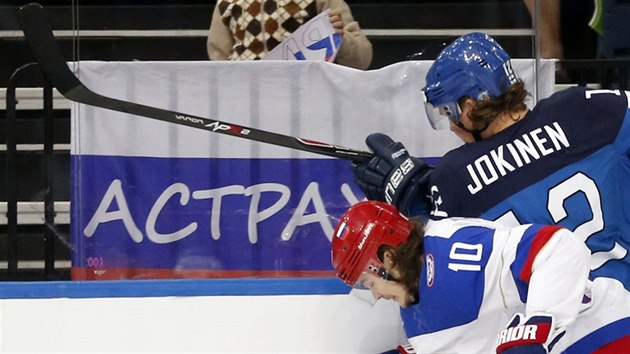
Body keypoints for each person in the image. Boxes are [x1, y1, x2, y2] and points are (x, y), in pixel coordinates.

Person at [351, 32, 630, 292]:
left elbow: (439, 276)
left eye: (448, 112)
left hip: (552, 326)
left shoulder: (454, 176)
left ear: (469, 108)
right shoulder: (586, 108)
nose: (451, 126)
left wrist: (411, 199)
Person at [331, 200, 630, 353]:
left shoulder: (454, 252)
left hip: (604, 333)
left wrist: (539, 327)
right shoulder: (415, 313)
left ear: (387, 258)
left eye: (369, 283)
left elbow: (557, 247)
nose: (375, 294)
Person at [206, 0, 373, 70]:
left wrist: (340, 40)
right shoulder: (227, 2)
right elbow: (219, 59)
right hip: (247, 98)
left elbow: (362, 59)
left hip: (306, 96)